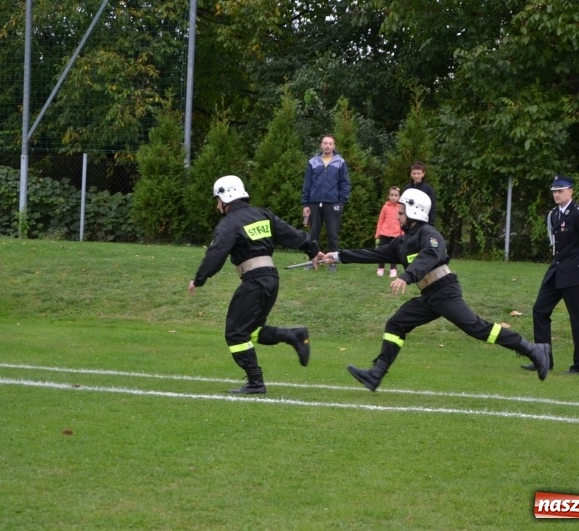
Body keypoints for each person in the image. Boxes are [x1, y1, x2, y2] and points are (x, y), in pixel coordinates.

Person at [316, 189, 551, 391]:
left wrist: (406, 276)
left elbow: (430, 255)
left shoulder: (430, 235)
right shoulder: (402, 242)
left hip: (445, 290)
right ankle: (375, 374)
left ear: (414, 211)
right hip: (429, 296)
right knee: (396, 324)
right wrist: (337, 256)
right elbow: (373, 254)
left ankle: (533, 350)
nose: (397, 216)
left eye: (401, 212)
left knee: (477, 328)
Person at [189, 175, 321, 394]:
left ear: (226, 197)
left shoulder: (230, 222)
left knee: (235, 333)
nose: (217, 205)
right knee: (252, 330)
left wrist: (199, 279)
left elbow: (217, 252)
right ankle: (293, 335)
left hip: (254, 281)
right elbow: (290, 234)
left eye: (217, 200)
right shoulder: (263, 214)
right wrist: (313, 250)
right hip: (271, 279)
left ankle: (255, 382)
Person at [521, 174, 579, 376]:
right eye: (554, 192)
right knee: (540, 310)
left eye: (560, 191)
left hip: (574, 273)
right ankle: (543, 359)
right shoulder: (554, 214)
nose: (557, 195)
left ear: (571, 191)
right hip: (556, 271)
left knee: (578, 319)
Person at [302, 135, 350, 272]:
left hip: (333, 203)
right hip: (314, 203)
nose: (328, 146)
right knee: (313, 234)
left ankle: (332, 263)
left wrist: (341, 202)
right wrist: (305, 204)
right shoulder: (312, 162)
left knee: (332, 235)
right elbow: (307, 184)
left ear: (334, 146)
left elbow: (345, 184)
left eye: (330, 143)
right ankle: (312, 260)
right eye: (325, 143)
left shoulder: (340, 162)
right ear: (321, 145)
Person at [374, 186, 402, 277]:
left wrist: (402, 234)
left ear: (399, 197)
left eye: (396, 195)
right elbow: (380, 221)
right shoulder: (385, 207)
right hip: (384, 234)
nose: (393, 197)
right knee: (382, 251)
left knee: (394, 252)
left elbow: (403, 222)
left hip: (396, 235)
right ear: (388, 196)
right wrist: (378, 234)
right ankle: (380, 268)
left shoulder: (401, 208)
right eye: (392, 195)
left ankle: (393, 269)